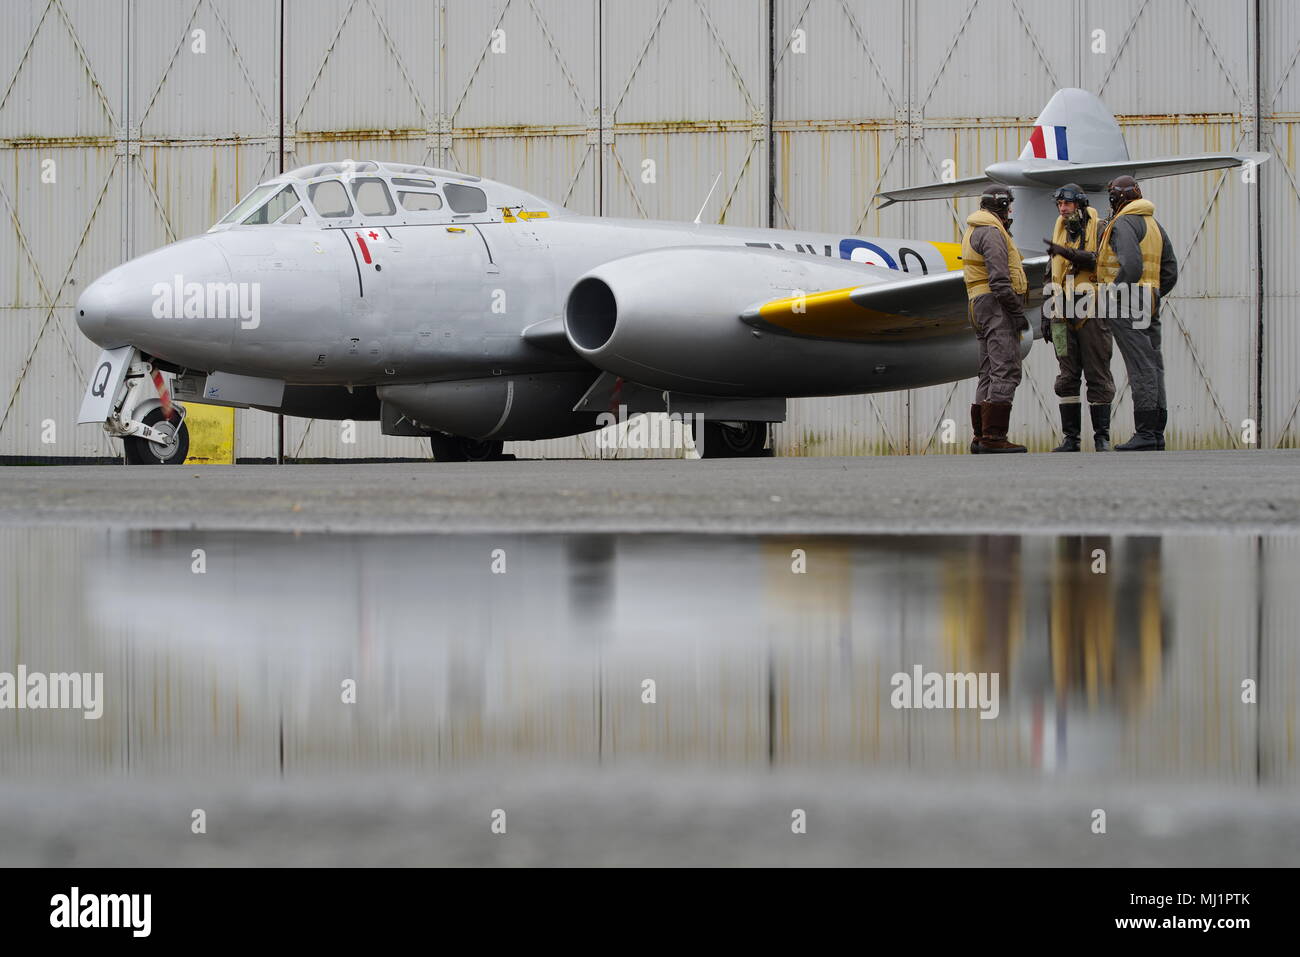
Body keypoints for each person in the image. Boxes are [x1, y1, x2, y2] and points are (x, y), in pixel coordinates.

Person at [1093, 175, 1178, 451]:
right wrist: (1152, 294)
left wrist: (1114, 293)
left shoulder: (1124, 222)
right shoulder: (1154, 223)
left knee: (1139, 364)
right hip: (1148, 297)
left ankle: (1144, 433)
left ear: (1115, 199)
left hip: (1127, 301)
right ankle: (1155, 433)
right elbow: (1170, 270)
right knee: (1154, 364)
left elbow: (1131, 265)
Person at [1042, 184, 1114, 451]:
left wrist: (1070, 254)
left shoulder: (1101, 227)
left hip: (1093, 310)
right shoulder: (1058, 231)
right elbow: (1050, 273)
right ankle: (1071, 438)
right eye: (1060, 205)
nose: (1063, 209)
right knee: (1067, 375)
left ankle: (1101, 437)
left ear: (1080, 204)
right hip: (1061, 311)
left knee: (1098, 372)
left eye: (1068, 205)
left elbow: (1103, 261)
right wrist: (1045, 313)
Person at [962, 185, 1029, 453]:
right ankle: (994, 437)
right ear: (1000, 206)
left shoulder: (975, 228)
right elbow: (1000, 280)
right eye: (1008, 206)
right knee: (1006, 368)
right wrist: (1017, 312)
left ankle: (981, 436)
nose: (1010, 211)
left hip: (978, 304)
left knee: (988, 371)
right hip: (996, 305)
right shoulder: (991, 232)